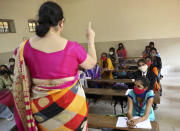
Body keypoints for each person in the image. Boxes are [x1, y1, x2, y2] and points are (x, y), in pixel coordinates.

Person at [13, 2, 96, 131]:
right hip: (72, 109)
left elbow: (25, 83)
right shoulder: (73, 48)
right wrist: (90, 39)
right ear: (61, 22)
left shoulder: (25, 48)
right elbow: (91, 64)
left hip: (42, 111)